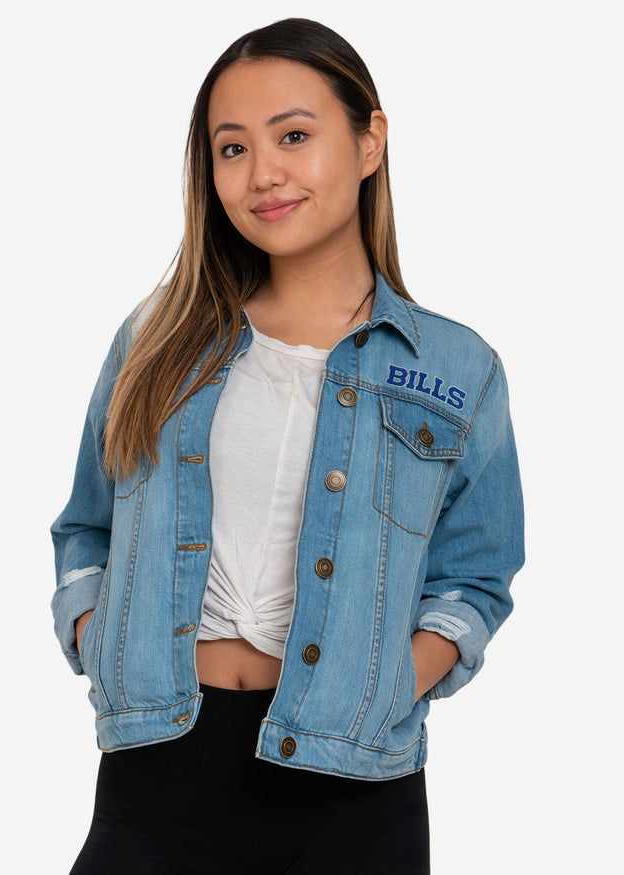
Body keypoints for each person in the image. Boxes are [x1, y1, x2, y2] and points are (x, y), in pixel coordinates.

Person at [51, 17, 525, 874]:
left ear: (370, 141)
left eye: (294, 136)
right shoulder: (157, 340)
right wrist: (100, 636)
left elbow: (476, 576)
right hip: (157, 776)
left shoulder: (458, 369)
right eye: (232, 148)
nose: (262, 172)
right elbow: (87, 526)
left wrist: (385, 684)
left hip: (352, 794)